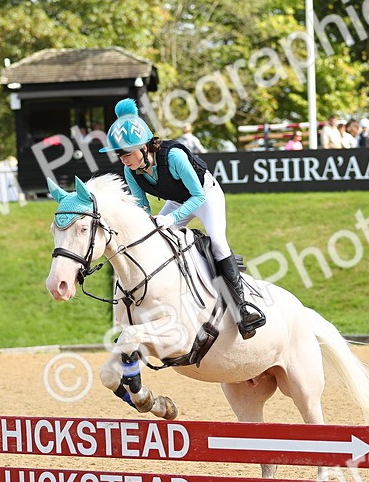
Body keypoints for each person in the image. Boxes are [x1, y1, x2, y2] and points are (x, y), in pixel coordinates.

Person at [100, 98, 265, 338]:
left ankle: (242, 308)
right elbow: (143, 207)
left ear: (145, 146)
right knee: (154, 238)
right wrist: (149, 225)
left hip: (205, 195)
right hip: (178, 200)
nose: (123, 159)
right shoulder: (130, 171)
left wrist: (172, 218)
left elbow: (197, 195)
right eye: (119, 154)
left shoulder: (174, 156)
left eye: (127, 153)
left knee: (218, 241)